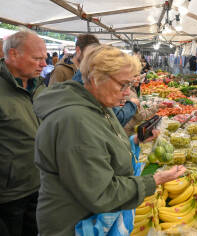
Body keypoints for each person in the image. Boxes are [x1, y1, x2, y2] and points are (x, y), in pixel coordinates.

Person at [33, 45, 186, 235]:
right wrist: (155, 180)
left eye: (130, 85)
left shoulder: (99, 106)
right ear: (97, 79)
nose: (127, 92)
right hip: (75, 226)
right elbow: (101, 193)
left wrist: (136, 141)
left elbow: (103, 146)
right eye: (123, 84)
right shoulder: (74, 121)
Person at [0, 30, 47, 236]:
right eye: (37, 58)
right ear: (12, 55)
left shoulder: (39, 87)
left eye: (44, 58)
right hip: (9, 195)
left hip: (40, 183)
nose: (44, 64)